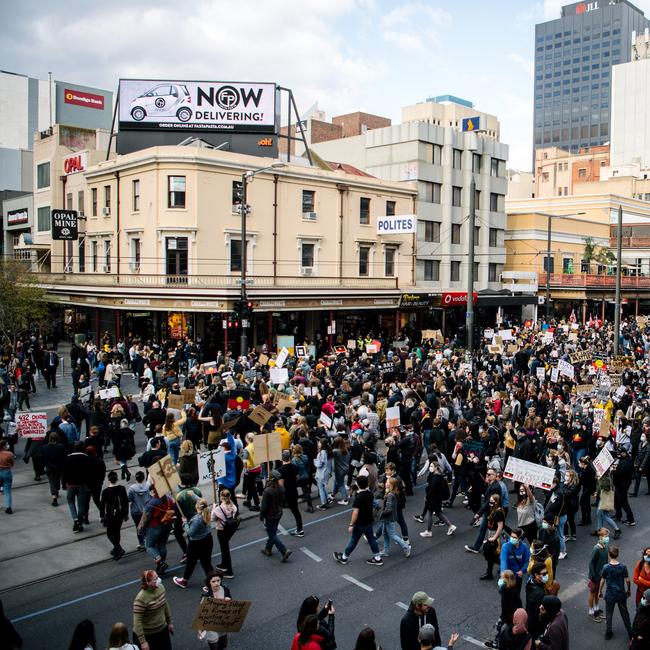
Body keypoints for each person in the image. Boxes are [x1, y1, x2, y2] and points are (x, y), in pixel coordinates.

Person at [333, 474, 383, 567]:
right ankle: (377, 558)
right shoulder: (370, 494)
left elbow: (355, 513)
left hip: (360, 523)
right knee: (371, 539)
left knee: (354, 540)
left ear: (358, 485)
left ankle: (344, 557)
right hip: (369, 521)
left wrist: (351, 525)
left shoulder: (359, 498)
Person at [172, 498, 214, 588]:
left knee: (191, 562)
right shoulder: (207, 512)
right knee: (206, 563)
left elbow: (190, 532)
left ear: (197, 507)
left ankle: (184, 581)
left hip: (196, 543)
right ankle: (213, 582)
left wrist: (185, 523)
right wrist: (193, 495)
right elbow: (201, 501)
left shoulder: (197, 520)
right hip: (207, 539)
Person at [132, 570, 173, 650]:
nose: (159, 580)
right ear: (148, 582)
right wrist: (143, 642)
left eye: (158, 577)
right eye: (155, 579)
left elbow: (165, 604)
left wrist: (169, 622)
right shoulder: (141, 599)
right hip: (148, 635)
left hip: (162, 629)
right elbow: (137, 621)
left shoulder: (161, 587)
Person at [138, 485, 175, 575]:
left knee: (149, 546)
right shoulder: (170, 500)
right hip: (167, 525)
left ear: (154, 491)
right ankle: (161, 564)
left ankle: (160, 562)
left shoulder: (151, 503)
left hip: (154, 526)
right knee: (162, 545)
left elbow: (145, 518)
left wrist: (141, 528)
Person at [599, 544, 633, 640]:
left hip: (610, 594)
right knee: (625, 613)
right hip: (621, 593)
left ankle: (608, 633)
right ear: (618, 554)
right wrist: (628, 590)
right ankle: (630, 632)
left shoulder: (606, 567)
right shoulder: (623, 566)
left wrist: (600, 591)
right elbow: (627, 580)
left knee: (609, 614)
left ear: (609, 555)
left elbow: (602, 580)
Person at [415, 461, 455, 538]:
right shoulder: (439, 476)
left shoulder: (435, 478)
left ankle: (429, 531)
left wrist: (427, 496)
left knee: (430, 514)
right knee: (438, 513)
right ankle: (450, 526)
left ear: (436, 467)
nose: (430, 467)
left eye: (431, 466)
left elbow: (432, 489)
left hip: (433, 499)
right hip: (438, 499)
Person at [485, 570, 523, 649]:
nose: (500, 579)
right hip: (511, 613)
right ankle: (495, 643)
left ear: (507, 580)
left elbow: (507, 606)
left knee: (502, 629)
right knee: (499, 627)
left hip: (508, 615)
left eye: (502, 577)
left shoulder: (506, 590)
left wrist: (506, 617)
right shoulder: (514, 586)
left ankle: (498, 644)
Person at [259, 470, 292, 562]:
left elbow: (264, 507)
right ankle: (267, 549)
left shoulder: (267, 491)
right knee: (272, 532)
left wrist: (261, 516)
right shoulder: (281, 488)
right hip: (278, 513)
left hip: (270, 515)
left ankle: (284, 550)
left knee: (272, 534)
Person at [379, 476, 412, 558]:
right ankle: (386, 551)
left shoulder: (390, 495)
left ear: (391, 485)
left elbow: (389, 508)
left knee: (392, 535)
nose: (385, 483)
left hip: (389, 518)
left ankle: (406, 547)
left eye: (387, 482)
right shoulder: (391, 493)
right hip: (387, 518)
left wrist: (382, 514)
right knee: (385, 534)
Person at [197, 571, 231, 649]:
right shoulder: (206, 597)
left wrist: (229, 601)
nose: (216, 583)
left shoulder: (225, 589)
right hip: (211, 625)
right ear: (209, 583)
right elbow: (201, 613)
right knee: (214, 646)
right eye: (213, 581)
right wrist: (200, 629)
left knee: (223, 644)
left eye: (218, 580)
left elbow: (232, 603)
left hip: (223, 621)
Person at [62, 441, 91, 532]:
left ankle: (76, 520)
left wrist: (63, 484)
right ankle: (80, 521)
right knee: (81, 504)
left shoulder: (68, 458)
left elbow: (64, 472)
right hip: (82, 484)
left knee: (70, 501)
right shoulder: (86, 458)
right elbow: (89, 473)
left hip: (70, 484)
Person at [100, 470, 129, 560]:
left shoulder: (105, 491)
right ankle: (116, 549)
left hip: (111, 515)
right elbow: (126, 502)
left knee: (109, 533)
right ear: (117, 478)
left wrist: (102, 516)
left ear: (108, 479)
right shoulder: (122, 488)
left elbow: (102, 505)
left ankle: (118, 548)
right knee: (117, 531)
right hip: (120, 514)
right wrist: (126, 513)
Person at [211, 488, 238, 578]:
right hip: (230, 528)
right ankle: (223, 564)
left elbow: (213, 519)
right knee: (224, 547)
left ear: (221, 497)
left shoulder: (218, 509)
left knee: (225, 549)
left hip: (222, 529)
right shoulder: (233, 506)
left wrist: (214, 508)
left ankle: (229, 571)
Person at [277, 449, 304, 537]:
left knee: (278, 510)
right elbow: (297, 477)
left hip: (286, 493)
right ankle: (300, 529)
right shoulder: (294, 467)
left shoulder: (280, 470)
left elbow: (281, 485)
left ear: (281, 459)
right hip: (294, 491)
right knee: (296, 511)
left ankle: (271, 524)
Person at [481, 494, 506, 580]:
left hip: (495, 535)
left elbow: (500, 526)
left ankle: (504, 567)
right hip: (491, 533)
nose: (490, 503)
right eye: (490, 501)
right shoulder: (493, 509)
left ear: (497, 502)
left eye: (492, 501)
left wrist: (494, 537)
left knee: (489, 553)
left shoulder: (498, 512)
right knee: (490, 554)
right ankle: (490, 572)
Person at [587, 527, 610, 622]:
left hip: (601, 576)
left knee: (598, 592)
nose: (607, 538)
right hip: (595, 576)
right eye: (605, 536)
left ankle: (596, 609)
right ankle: (591, 611)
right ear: (600, 537)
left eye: (607, 536)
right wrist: (593, 576)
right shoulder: (596, 548)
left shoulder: (605, 547)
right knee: (592, 593)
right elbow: (591, 563)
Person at [500, 528, 531, 592]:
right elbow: (503, 562)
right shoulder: (505, 546)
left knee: (517, 593)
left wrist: (522, 571)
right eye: (511, 536)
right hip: (508, 576)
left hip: (518, 576)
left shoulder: (524, 547)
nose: (512, 538)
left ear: (519, 538)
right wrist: (504, 575)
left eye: (515, 537)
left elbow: (527, 561)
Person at [525, 562, 549, 640]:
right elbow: (538, 613)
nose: (546, 575)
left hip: (529, 617)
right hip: (536, 625)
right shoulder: (540, 594)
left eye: (547, 572)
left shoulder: (530, 581)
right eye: (544, 573)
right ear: (536, 575)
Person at [128, 471, 150, 551]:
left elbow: (129, 499)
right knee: (147, 526)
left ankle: (141, 543)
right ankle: (149, 541)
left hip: (136, 511)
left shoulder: (132, 488)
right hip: (147, 510)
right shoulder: (148, 486)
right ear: (144, 477)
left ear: (136, 478)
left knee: (138, 527)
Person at [43, 432, 67, 507]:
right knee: (57, 480)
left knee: (52, 482)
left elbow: (43, 458)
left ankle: (54, 497)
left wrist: (44, 465)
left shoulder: (45, 447)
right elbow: (64, 457)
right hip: (59, 467)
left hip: (49, 467)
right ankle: (56, 492)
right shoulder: (61, 446)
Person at [0, 439, 15, 514]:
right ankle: (8, 507)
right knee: (7, 491)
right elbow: (12, 464)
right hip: (7, 472)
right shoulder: (9, 454)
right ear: (3, 446)